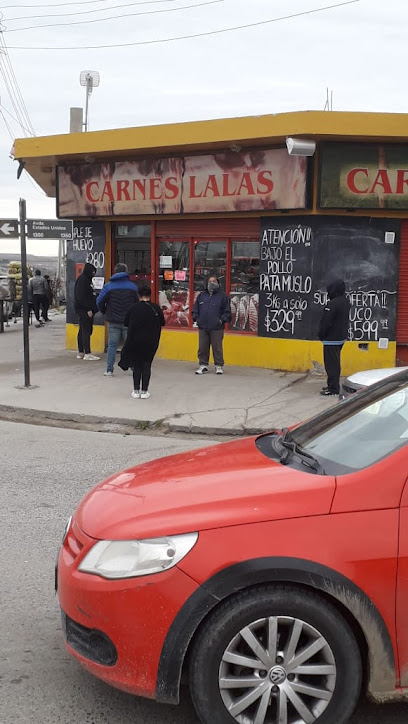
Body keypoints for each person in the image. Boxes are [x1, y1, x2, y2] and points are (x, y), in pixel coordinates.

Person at [118, 283, 165, 399]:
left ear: (138, 295)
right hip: (151, 341)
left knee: (137, 365)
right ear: (150, 295)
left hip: (135, 341)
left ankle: (135, 390)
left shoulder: (133, 308)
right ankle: (144, 391)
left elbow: (126, 323)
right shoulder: (156, 308)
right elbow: (162, 322)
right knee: (147, 364)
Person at [96, 263, 139, 377]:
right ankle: (134, 368)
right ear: (126, 272)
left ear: (115, 272)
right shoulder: (132, 287)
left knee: (112, 346)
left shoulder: (108, 287)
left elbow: (99, 302)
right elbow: (137, 304)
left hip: (113, 321)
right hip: (128, 322)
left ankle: (109, 370)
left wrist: (105, 312)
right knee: (130, 345)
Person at [192, 275, 231, 375]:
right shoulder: (202, 295)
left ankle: (218, 366)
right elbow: (195, 308)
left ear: (218, 283)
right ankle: (203, 365)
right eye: (210, 281)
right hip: (203, 326)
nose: (211, 283)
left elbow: (227, 311)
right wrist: (196, 319)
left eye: (214, 281)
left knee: (217, 347)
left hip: (217, 327)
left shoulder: (223, 296)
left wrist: (221, 320)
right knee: (202, 347)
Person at [318, 278, 350, 396]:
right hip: (340, 338)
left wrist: (321, 334)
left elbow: (326, 322)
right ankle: (332, 385)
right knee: (335, 363)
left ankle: (333, 389)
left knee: (331, 365)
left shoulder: (333, 304)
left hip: (331, 339)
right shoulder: (346, 301)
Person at [74, 262, 100, 361]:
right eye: (93, 272)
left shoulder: (85, 280)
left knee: (83, 330)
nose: (94, 274)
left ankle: (81, 352)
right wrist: (88, 309)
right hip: (84, 310)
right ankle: (87, 353)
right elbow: (81, 297)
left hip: (84, 309)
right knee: (86, 330)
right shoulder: (83, 280)